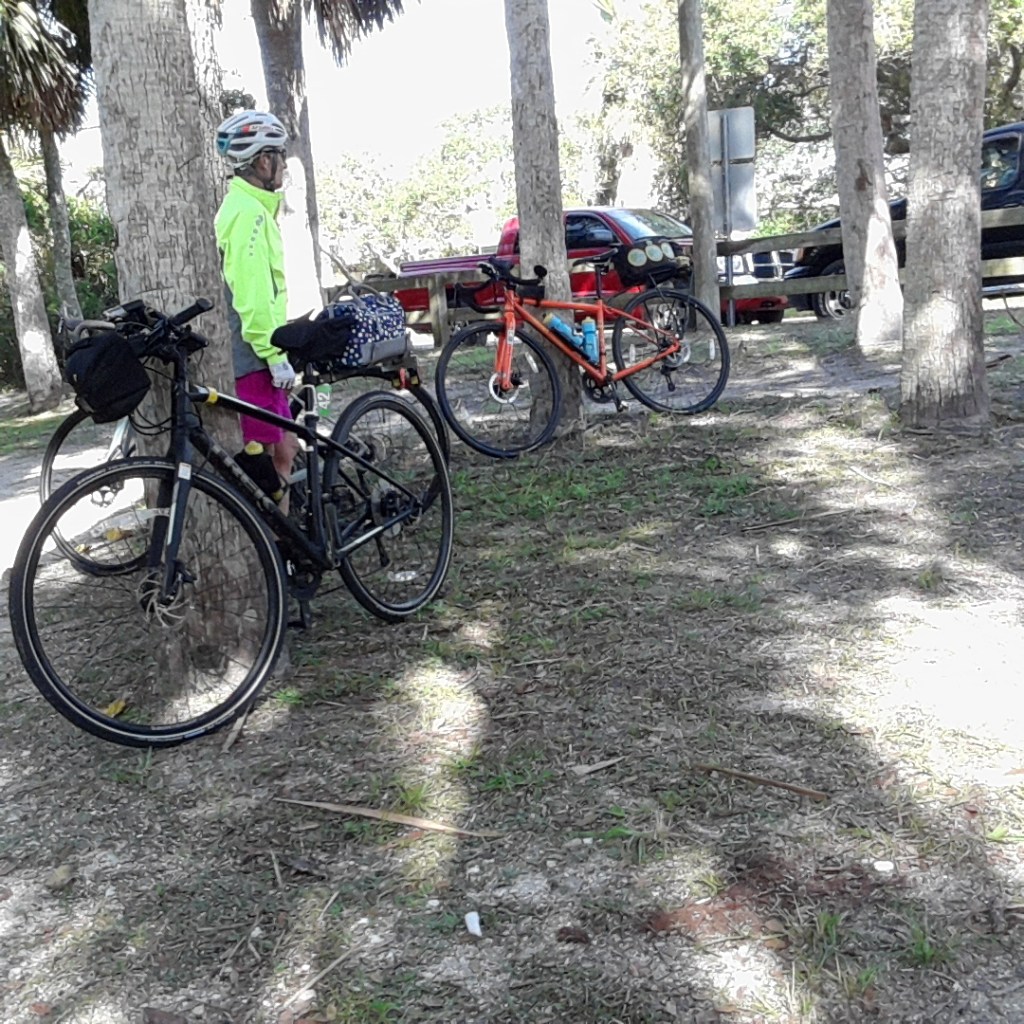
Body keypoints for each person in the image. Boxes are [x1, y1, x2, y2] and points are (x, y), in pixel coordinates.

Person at [213, 110, 299, 509]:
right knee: (265, 462)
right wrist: (273, 354)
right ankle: (279, 552)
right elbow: (250, 294)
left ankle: (287, 543)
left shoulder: (249, 208)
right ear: (264, 161)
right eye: (280, 156)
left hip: (257, 351)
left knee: (287, 447)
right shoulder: (246, 215)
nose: (283, 165)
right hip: (251, 355)